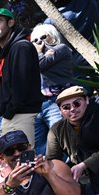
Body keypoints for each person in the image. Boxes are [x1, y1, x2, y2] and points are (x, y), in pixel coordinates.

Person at [45, 85, 99, 195]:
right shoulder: (57, 129)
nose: (72, 109)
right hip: (88, 171)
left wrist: (85, 164)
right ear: (60, 111)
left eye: (77, 103)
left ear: (87, 100)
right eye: (66, 107)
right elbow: (53, 160)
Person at [0, 7, 43, 151]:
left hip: (21, 115)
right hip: (13, 116)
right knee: (16, 161)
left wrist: (9, 111)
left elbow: (21, 86)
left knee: (25, 160)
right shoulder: (8, 51)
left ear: (10, 23)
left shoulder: (21, 47)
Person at [31, 24, 73, 156]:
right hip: (38, 104)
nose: (39, 41)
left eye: (43, 37)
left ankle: (69, 165)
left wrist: (38, 53)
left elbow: (39, 65)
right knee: (38, 145)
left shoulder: (61, 48)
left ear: (53, 35)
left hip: (57, 101)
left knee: (61, 138)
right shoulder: (36, 56)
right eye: (35, 40)